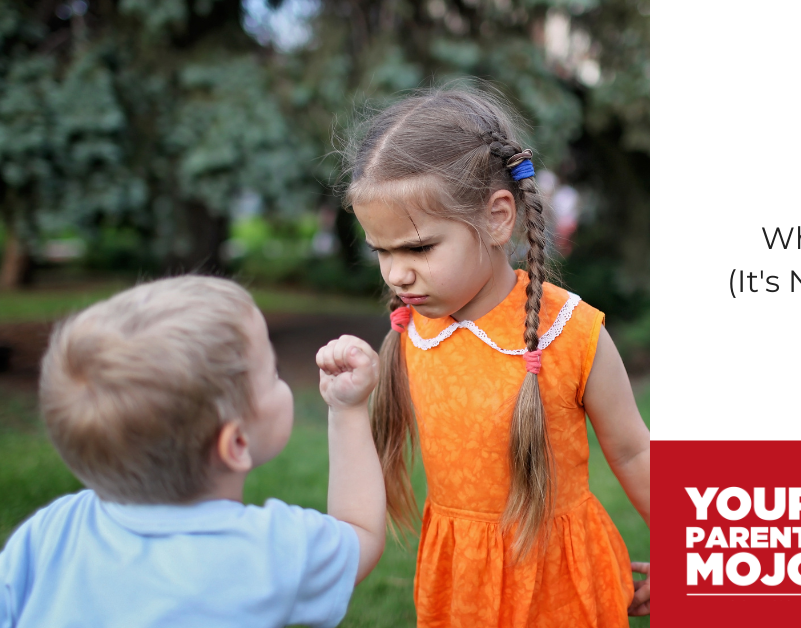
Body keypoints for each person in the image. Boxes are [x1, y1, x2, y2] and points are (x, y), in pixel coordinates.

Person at [342, 85, 651, 626]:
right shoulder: (413, 331)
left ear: (497, 217)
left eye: (418, 247)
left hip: (562, 585)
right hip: (461, 584)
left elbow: (633, 453)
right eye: (381, 251)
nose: (396, 274)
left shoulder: (569, 331)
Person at [0, 276, 386, 627]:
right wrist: (347, 410)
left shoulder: (52, 530)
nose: (279, 377)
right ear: (236, 444)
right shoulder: (270, 550)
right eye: (274, 373)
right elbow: (361, 534)